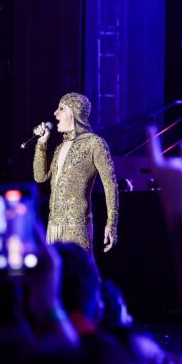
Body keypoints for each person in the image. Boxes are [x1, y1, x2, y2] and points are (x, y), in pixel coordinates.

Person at [33, 92, 118, 253]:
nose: (55, 113)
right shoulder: (60, 146)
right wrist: (41, 144)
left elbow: (110, 185)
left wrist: (111, 223)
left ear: (73, 112)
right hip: (54, 225)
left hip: (76, 226)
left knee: (80, 272)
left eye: (61, 109)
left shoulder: (94, 143)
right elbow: (40, 176)